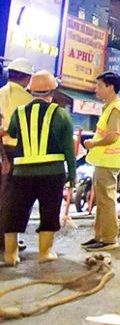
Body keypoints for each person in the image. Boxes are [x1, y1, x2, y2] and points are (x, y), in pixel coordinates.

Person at [0, 70, 76, 266]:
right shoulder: (60, 114)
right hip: (52, 174)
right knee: (49, 211)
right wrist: (72, 174)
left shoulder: (19, 112)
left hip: (21, 173)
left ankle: (10, 256)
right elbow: (69, 148)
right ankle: (44, 253)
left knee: (15, 211)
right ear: (52, 91)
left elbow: (12, 132)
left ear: (30, 91)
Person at [82, 71, 120, 251]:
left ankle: (109, 239)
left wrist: (93, 143)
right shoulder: (109, 107)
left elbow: (112, 136)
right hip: (103, 161)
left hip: (109, 161)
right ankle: (99, 236)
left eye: (100, 86)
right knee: (102, 201)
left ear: (110, 87)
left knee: (106, 201)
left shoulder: (115, 109)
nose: (96, 89)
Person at [0, 58, 33, 254]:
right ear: (27, 78)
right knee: (16, 198)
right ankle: (8, 240)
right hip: (19, 153)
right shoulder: (29, 101)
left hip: (2, 151)